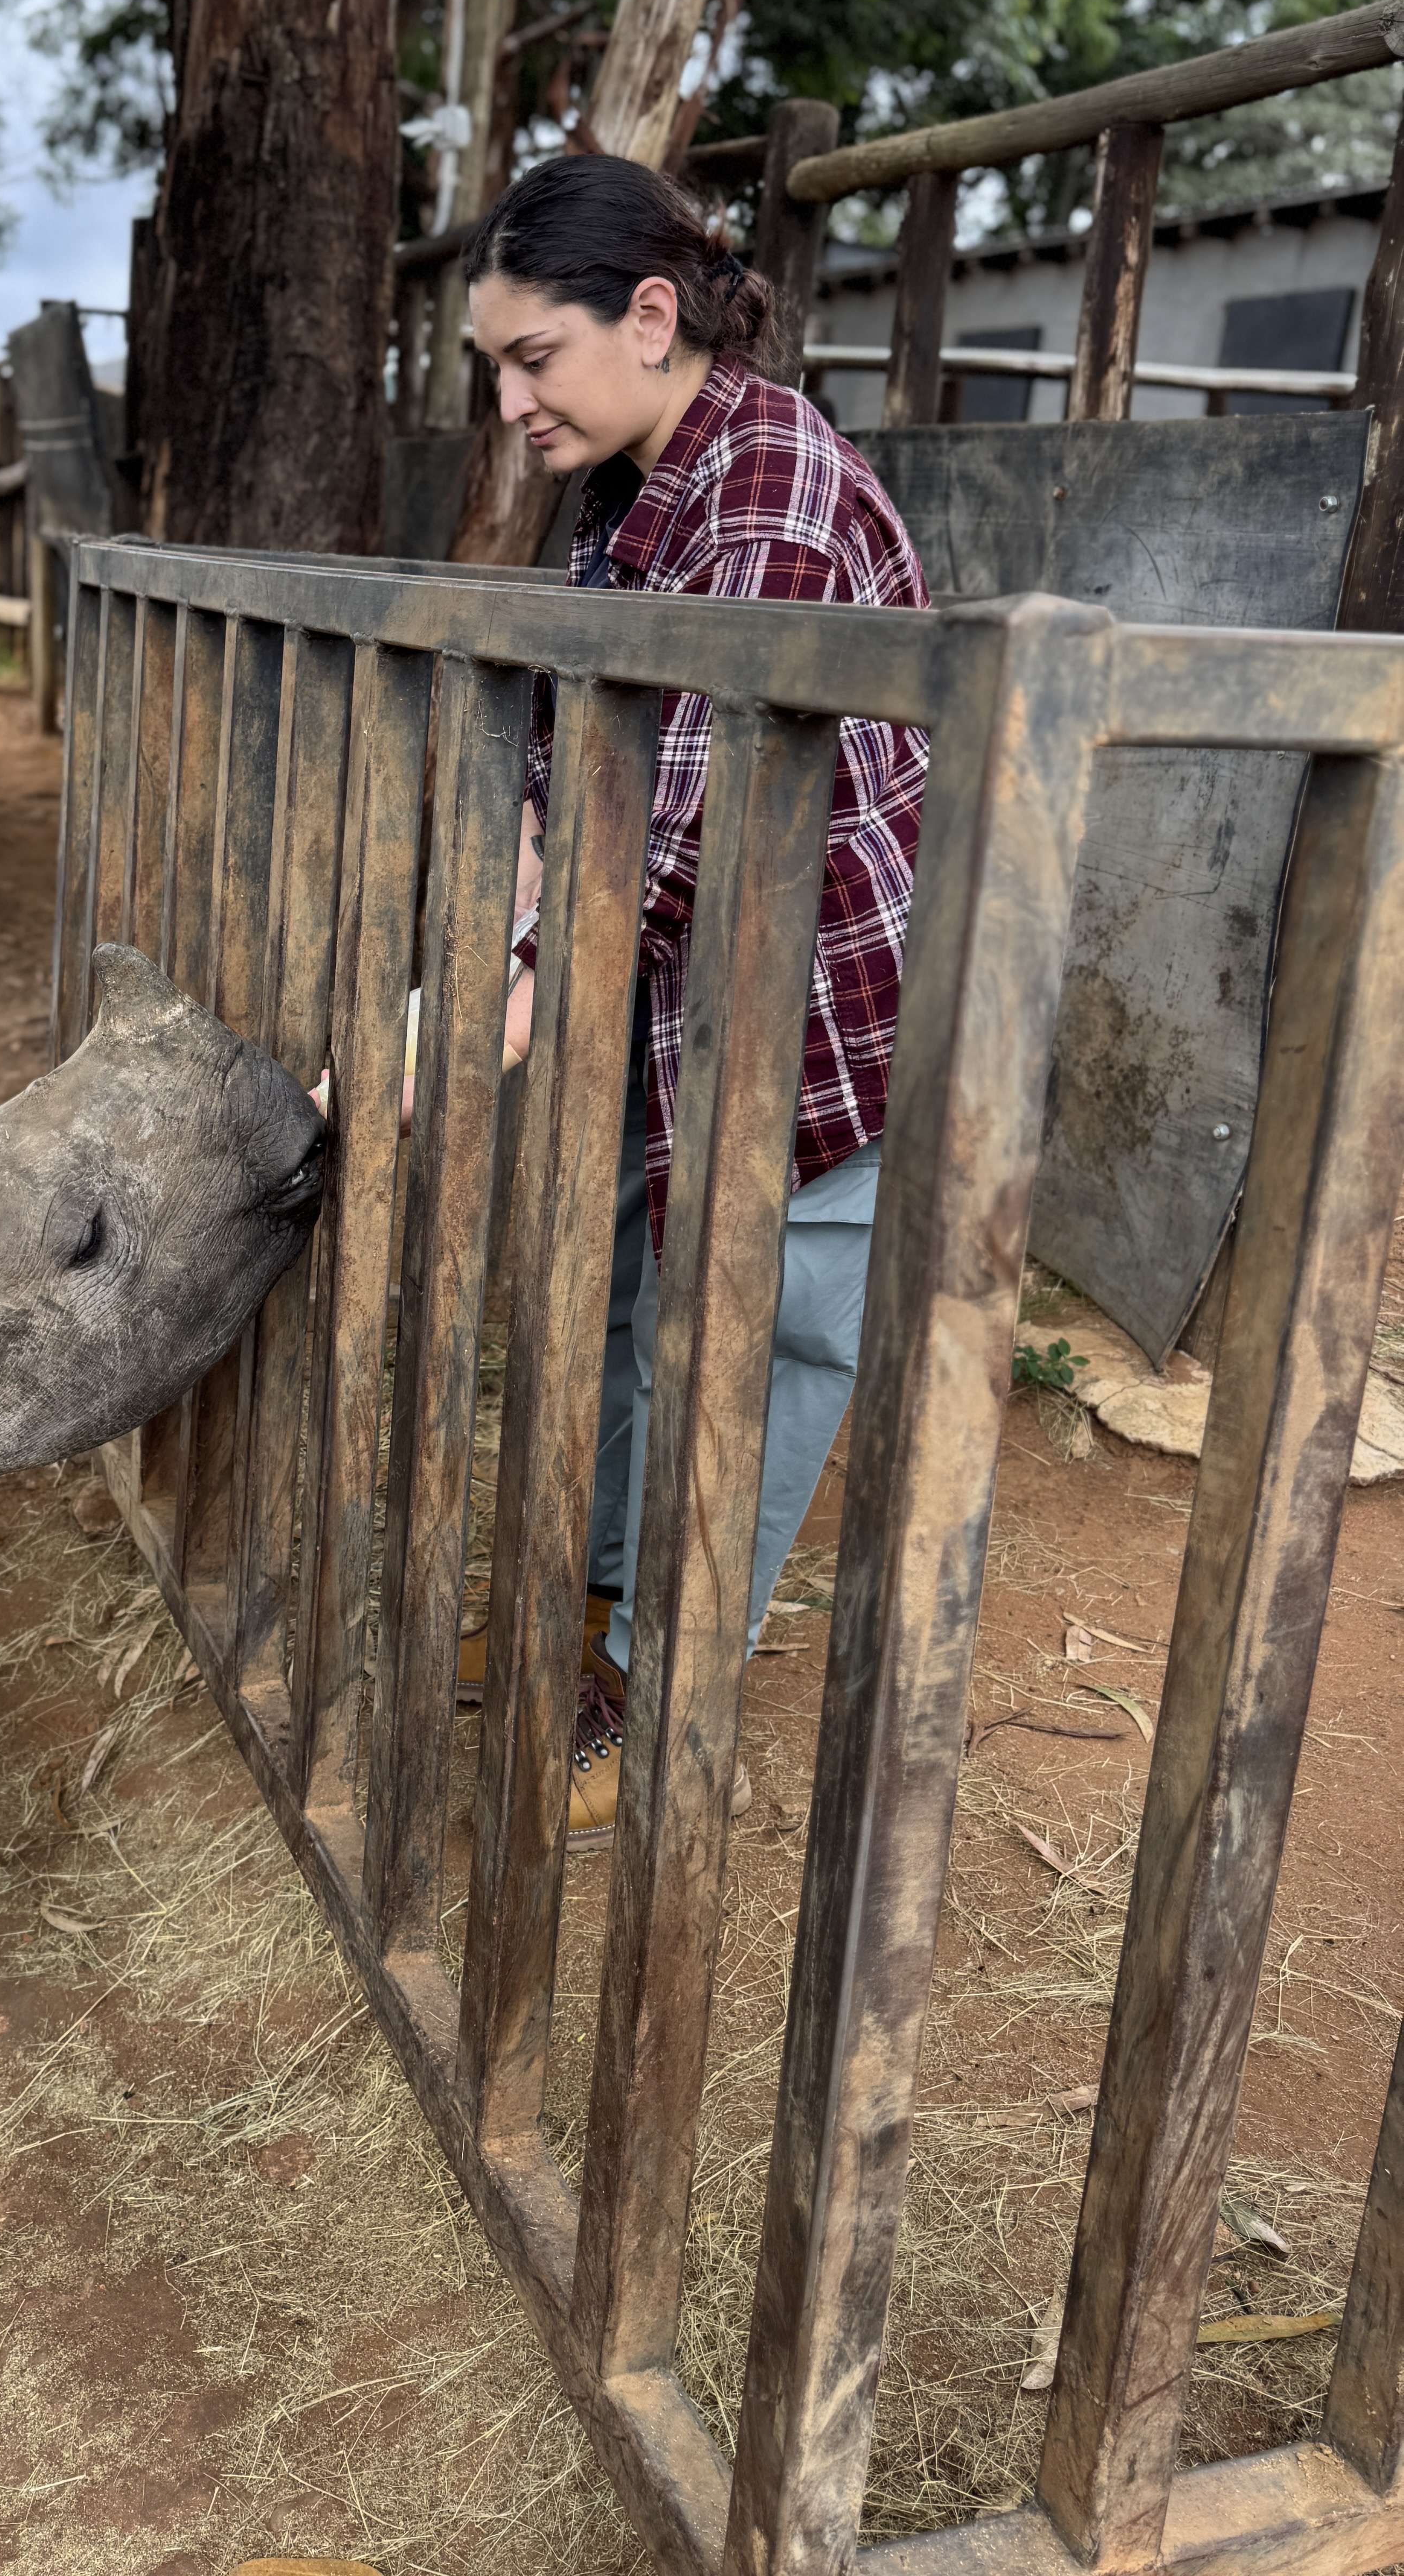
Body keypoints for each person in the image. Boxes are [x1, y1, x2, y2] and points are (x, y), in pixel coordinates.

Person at [461, 152, 931, 1848]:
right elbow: (582, 735)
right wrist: (527, 860)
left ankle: (664, 1685)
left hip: (814, 999)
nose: (511, 401)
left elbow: (696, 808)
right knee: (619, 1289)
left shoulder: (771, 478)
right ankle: (593, 1611)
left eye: (533, 359)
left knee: (762, 1329)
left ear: (649, 317)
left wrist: (514, 978)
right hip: (683, 985)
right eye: (493, 366)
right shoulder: (633, 481)